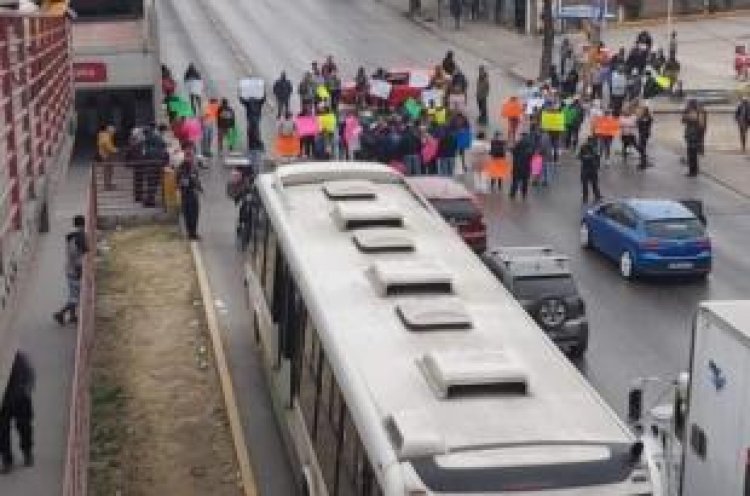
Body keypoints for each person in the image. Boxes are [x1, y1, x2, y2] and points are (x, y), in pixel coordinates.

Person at [0, 351, 35, 473]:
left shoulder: (19, 357)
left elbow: (30, 374)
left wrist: (26, 391)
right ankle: (6, 460)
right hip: (3, 401)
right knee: (2, 432)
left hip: (20, 399)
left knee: (24, 428)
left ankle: (27, 453)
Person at [53, 215, 88, 326]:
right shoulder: (78, 237)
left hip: (70, 269)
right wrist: (79, 270)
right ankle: (60, 314)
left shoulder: (73, 236)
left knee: (73, 295)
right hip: (74, 271)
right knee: (75, 298)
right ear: (83, 224)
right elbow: (75, 256)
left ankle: (72, 317)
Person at [178, 147, 203, 240]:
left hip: (193, 193)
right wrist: (189, 179)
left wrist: (199, 187)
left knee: (195, 214)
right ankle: (191, 233)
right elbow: (182, 182)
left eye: (192, 156)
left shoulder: (193, 167)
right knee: (188, 214)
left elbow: (196, 179)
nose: (191, 158)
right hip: (186, 194)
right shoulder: (182, 167)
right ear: (186, 157)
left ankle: (193, 232)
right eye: (189, 157)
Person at [509, 132, 533, 200]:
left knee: (515, 180)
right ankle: (524, 194)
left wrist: (511, 148)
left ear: (522, 136)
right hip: (526, 166)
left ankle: (513, 193)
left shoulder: (519, 143)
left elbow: (514, 151)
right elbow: (531, 155)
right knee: (525, 181)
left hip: (518, 165)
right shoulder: (530, 144)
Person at [579, 136, 602, 203]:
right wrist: (587, 157)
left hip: (590, 168)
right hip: (587, 168)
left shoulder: (595, 148)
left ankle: (596, 196)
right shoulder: (584, 147)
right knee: (586, 184)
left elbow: (598, 158)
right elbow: (580, 156)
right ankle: (586, 197)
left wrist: (597, 166)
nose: (591, 143)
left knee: (594, 183)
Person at [682, 99, 702, 177]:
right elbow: (683, 120)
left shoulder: (696, 112)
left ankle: (693, 171)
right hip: (690, 135)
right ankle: (693, 170)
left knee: (692, 154)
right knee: (691, 154)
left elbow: (698, 123)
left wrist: (688, 116)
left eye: (689, 104)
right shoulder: (690, 112)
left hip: (693, 135)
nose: (687, 105)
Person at [96, 124, 118, 190]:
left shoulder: (103, 135)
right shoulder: (106, 137)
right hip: (107, 155)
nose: (114, 133)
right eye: (113, 132)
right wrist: (115, 150)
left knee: (108, 171)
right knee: (108, 171)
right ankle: (108, 186)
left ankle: (108, 184)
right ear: (109, 131)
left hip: (104, 155)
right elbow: (108, 146)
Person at [636, 104, 654, 168]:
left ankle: (643, 163)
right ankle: (643, 161)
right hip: (643, 133)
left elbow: (639, 124)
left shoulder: (647, 118)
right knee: (642, 148)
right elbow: (637, 124)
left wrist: (639, 118)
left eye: (642, 110)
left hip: (644, 134)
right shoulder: (644, 117)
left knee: (642, 147)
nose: (641, 111)